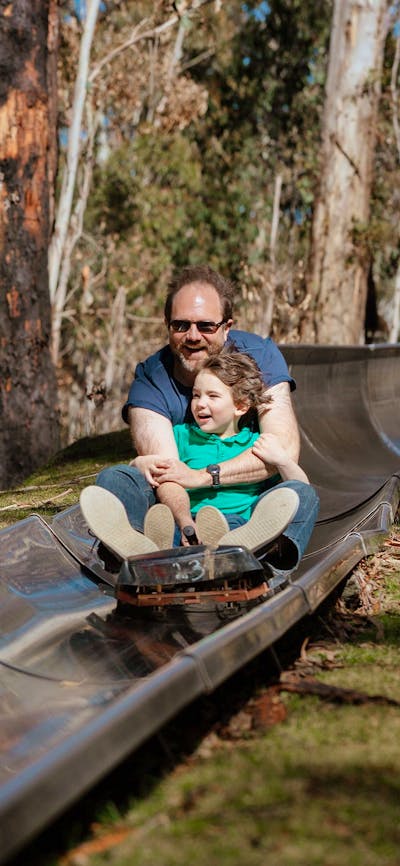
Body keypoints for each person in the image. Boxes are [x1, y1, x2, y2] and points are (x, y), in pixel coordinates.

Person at [80, 265, 319, 581]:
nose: (193, 336)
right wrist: (186, 526)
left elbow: (284, 451)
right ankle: (142, 549)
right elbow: (165, 471)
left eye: (205, 325)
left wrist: (200, 476)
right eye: (181, 325)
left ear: (226, 327)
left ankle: (253, 555)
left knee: (301, 495)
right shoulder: (152, 380)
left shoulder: (258, 358)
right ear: (167, 325)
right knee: (116, 478)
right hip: (179, 519)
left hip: (240, 520)